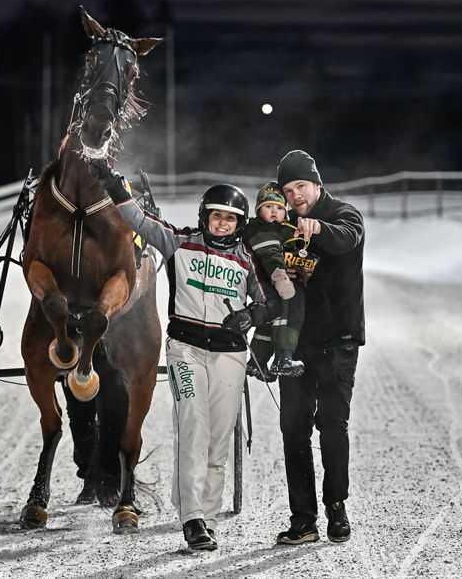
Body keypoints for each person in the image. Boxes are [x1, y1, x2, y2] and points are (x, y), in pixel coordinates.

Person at [88, 160, 280, 551]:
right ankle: (191, 518)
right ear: (204, 217)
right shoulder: (180, 242)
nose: (222, 223)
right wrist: (112, 183)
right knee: (193, 426)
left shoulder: (246, 259)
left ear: (240, 223)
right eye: (216, 216)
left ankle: (207, 518)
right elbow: (139, 221)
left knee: (218, 441)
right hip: (186, 351)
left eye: (230, 218)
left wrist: (250, 315)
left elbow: (272, 303)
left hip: (229, 356)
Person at [273, 149, 364, 546]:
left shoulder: (345, 214)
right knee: (293, 428)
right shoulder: (284, 225)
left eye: (301, 186)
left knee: (331, 424)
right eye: (288, 191)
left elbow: (347, 239)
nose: (295, 196)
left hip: (339, 340)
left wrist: (317, 229)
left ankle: (336, 507)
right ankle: (303, 519)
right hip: (296, 342)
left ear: (317, 184)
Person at [242, 182, 308, 379]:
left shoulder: (277, 229)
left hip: (268, 286)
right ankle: (283, 358)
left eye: (279, 208)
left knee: (270, 321)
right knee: (290, 311)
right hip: (275, 281)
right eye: (268, 206)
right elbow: (271, 255)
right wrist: (281, 277)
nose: (274, 211)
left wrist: (297, 238)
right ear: (258, 210)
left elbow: (286, 245)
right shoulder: (261, 231)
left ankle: (257, 362)